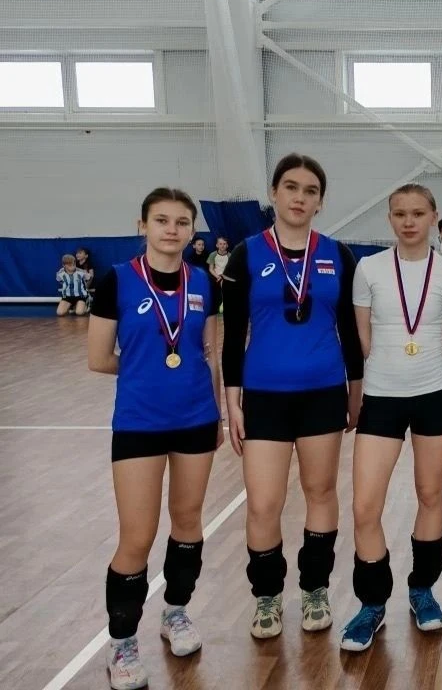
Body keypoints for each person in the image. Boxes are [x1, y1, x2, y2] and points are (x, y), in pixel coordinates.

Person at [221, 153, 363, 639]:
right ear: (274, 194)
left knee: (320, 492)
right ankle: (267, 596)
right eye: (291, 187)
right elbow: (232, 335)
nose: (300, 197)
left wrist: (356, 392)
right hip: (264, 396)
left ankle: (315, 588)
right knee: (264, 503)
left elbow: (350, 332)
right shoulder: (245, 255)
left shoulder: (339, 255)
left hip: (324, 392)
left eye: (310, 190)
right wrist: (232, 403)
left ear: (320, 201)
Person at [87, 188, 222, 690]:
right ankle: (122, 642)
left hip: (196, 418)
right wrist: (147, 372)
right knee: (137, 535)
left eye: (182, 222)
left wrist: (218, 414)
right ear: (142, 225)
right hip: (139, 422)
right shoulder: (117, 280)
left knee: (187, 521)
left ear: (192, 230)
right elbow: (99, 358)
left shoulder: (205, 282)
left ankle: (176, 613)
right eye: (161, 220)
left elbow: (210, 352)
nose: (172, 229)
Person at [339, 184, 442, 651]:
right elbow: (363, 338)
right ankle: (372, 603)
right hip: (381, 397)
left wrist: (434, 374)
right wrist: (385, 374)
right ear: (389, 218)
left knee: (430, 495)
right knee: (365, 507)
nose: (409, 221)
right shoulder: (369, 269)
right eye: (399, 214)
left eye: (418, 213)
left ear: (434, 216)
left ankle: (422, 590)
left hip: (434, 396)